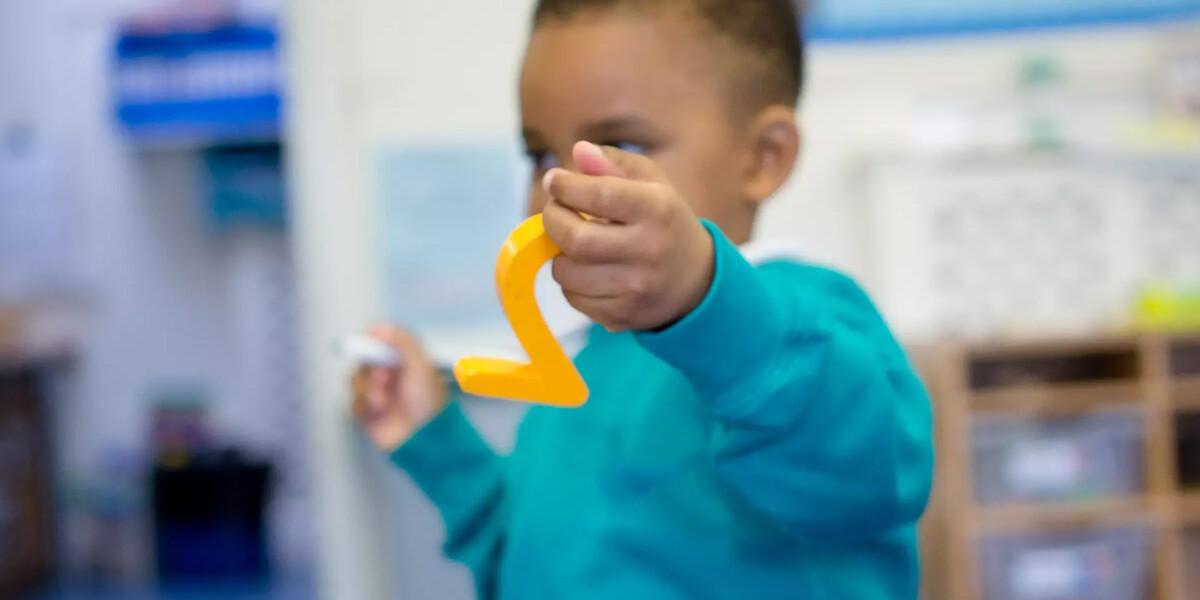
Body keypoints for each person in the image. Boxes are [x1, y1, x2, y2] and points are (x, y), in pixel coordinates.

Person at [351, 0, 934, 598]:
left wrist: (701, 296)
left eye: (622, 144)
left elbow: (872, 479)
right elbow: (535, 562)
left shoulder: (806, 328)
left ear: (764, 157)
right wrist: (437, 442)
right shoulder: (590, 361)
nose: (559, 188)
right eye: (541, 156)